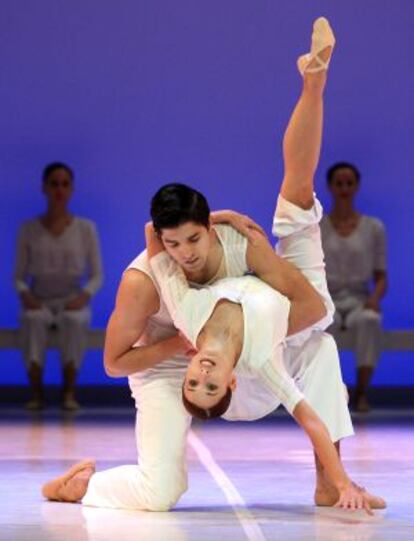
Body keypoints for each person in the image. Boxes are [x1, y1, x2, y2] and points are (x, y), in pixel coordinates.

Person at [41, 17, 383, 512]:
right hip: (167, 365)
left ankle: (313, 84)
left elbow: (310, 314)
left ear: (208, 226)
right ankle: (79, 487)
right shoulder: (153, 286)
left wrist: (224, 225)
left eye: (196, 238)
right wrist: (179, 346)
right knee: (159, 495)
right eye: (174, 244)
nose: (187, 254)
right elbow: (114, 362)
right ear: (162, 240)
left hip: (238, 361)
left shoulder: (233, 250)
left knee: (321, 337)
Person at [14, 162, 103, 411]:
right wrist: (25, 293)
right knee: (32, 320)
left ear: (71, 189)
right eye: (54, 184)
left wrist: (85, 295)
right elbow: (18, 275)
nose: (59, 190)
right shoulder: (28, 230)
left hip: (72, 298)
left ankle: (69, 393)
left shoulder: (86, 229)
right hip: (39, 297)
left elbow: (96, 275)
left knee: (75, 321)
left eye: (64, 184)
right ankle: (36, 394)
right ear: (44, 188)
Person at [320, 163, 388, 412]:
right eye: (339, 183)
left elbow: (381, 275)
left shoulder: (373, 228)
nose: (344, 188)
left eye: (349, 183)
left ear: (357, 186)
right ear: (330, 187)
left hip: (360, 299)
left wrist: (375, 300)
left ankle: (360, 391)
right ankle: (334, 390)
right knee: (325, 326)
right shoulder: (318, 228)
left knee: (370, 320)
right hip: (327, 298)